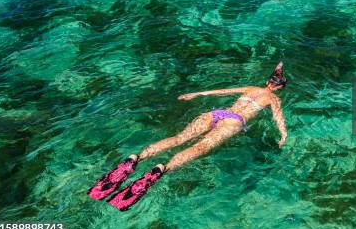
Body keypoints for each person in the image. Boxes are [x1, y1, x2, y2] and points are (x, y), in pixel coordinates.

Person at [88, 62, 288, 211]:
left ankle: (136, 159)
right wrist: (283, 135)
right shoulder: (273, 98)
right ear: (279, 87)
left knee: (179, 138)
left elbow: (220, 91)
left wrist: (196, 94)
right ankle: (161, 169)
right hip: (233, 122)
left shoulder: (250, 88)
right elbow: (278, 118)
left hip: (218, 113)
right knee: (198, 148)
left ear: (267, 81)